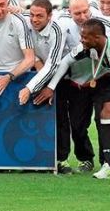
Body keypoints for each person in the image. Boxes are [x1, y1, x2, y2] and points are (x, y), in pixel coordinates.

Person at [34, 19, 110, 179]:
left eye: (84, 37)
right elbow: (66, 61)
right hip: (95, 84)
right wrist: (51, 86)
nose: (81, 40)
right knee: (83, 122)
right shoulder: (86, 47)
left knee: (104, 115)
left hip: (103, 83)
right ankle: (105, 163)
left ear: (96, 37)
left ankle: (107, 163)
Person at [17, 0, 75, 173]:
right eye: (32, 15)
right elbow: (26, 50)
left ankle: (62, 160)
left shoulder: (58, 30)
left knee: (60, 118)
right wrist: (36, 64)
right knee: (33, 117)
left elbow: (53, 64)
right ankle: (34, 160)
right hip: (36, 73)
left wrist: (31, 88)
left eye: (39, 16)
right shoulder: (25, 21)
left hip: (60, 76)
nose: (34, 19)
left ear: (50, 16)